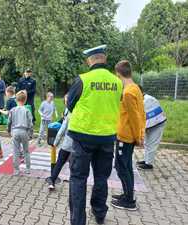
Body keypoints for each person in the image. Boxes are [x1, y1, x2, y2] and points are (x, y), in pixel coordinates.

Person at [67, 45, 123, 225]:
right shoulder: (117, 82)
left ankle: (78, 221)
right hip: (107, 137)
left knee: (78, 178)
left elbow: (70, 105)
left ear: (89, 60)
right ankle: (99, 213)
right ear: (104, 59)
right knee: (101, 177)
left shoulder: (83, 80)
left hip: (83, 137)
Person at [111, 60, 146, 211]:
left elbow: (135, 117)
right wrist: (140, 134)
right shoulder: (136, 88)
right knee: (125, 166)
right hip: (128, 136)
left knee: (122, 166)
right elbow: (142, 113)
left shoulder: (128, 93)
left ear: (118, 75)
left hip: (125, 137)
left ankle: (129, 200)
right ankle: (127, 194)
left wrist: (139, 137)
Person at [47, 94, 73, 190]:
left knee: (60, 162)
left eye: (67, 101)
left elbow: (62, 130)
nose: (66, 103)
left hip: (68, 143)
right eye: (65, 101)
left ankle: (52, 181)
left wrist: (55, 142)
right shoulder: (77, 111)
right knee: (72, 162)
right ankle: (73, 181)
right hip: (77, 144)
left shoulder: (70, 113)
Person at [137, 86, 166, 170]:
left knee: (152, 143)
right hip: (150, 124)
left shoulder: (149, 100)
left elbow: (149, 116)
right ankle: (146, 160)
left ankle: (149, 164)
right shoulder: (142, 100)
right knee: (147, 143)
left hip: (157, 124)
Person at [8, 91, 33, 175]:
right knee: (26, 151)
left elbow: (9, 122)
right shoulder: (27, 111)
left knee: (15, 151)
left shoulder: (12, 110)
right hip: (24, 131)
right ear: (25, 100)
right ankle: (28, 169)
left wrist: (8, 130)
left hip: (15, 131)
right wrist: (30, 134)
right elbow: (30, 123)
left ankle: (16, 170)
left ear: (16, 100)